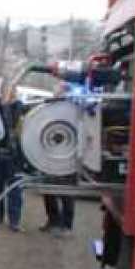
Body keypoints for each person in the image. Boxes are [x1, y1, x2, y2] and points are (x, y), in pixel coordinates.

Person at [0, 84, 24, 230]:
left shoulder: (19, 107)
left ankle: (14, 220)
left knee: (15, 188)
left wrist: (7, 107)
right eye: (5, 91)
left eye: (11, 91)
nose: (7, 94)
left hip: (15, 154)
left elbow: (18, 128)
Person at [42, 83, 75, 236]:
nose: (55, 94)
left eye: (58, 92)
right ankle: (53, 220)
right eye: (55, 92)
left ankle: (67, 226)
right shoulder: (50, 108)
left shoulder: (73, 110)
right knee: (48, 190)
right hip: (50, 153)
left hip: (68, 157)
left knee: (66, 192)